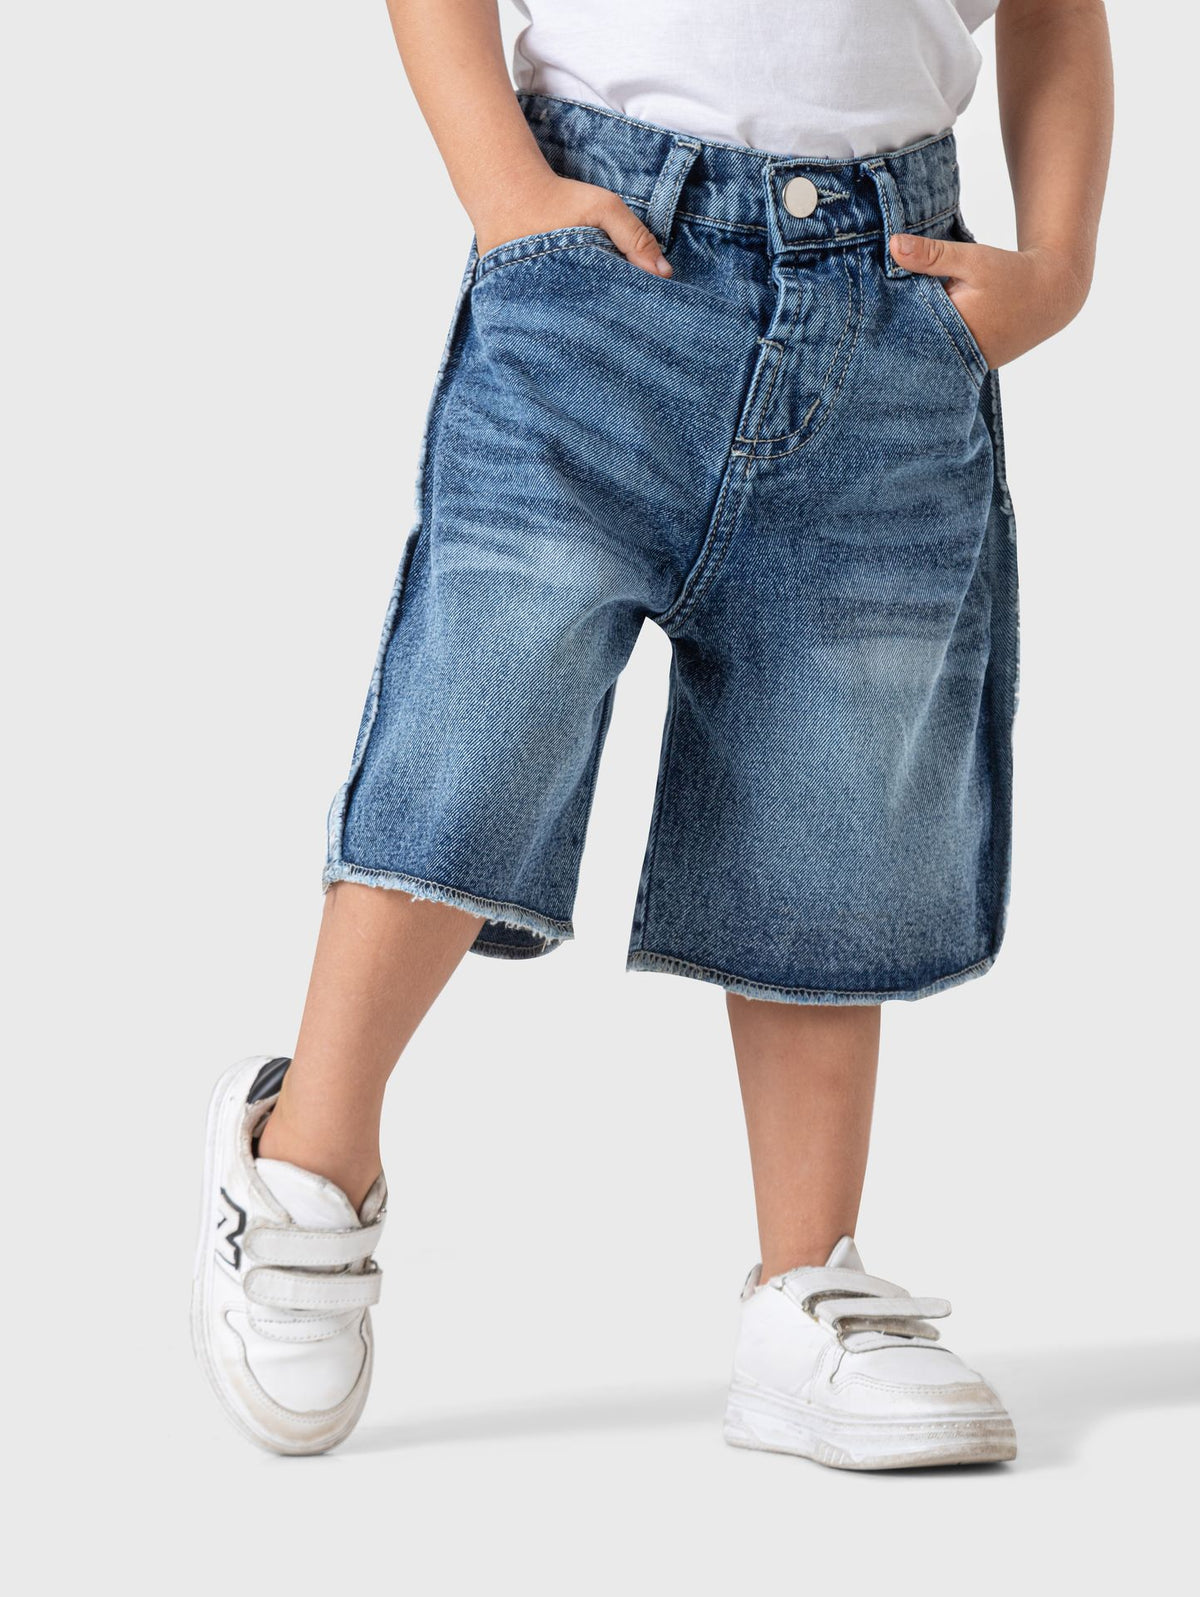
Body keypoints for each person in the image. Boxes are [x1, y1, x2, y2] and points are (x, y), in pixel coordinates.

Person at [192, 0, 1113, 1467]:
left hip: (894, 300)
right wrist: (504, 187)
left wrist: (1056, 264)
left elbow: (1061, 16)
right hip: (604, 263)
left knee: (835, 788)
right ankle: (307, 1157)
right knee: (483, 708)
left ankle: (805, 1283)